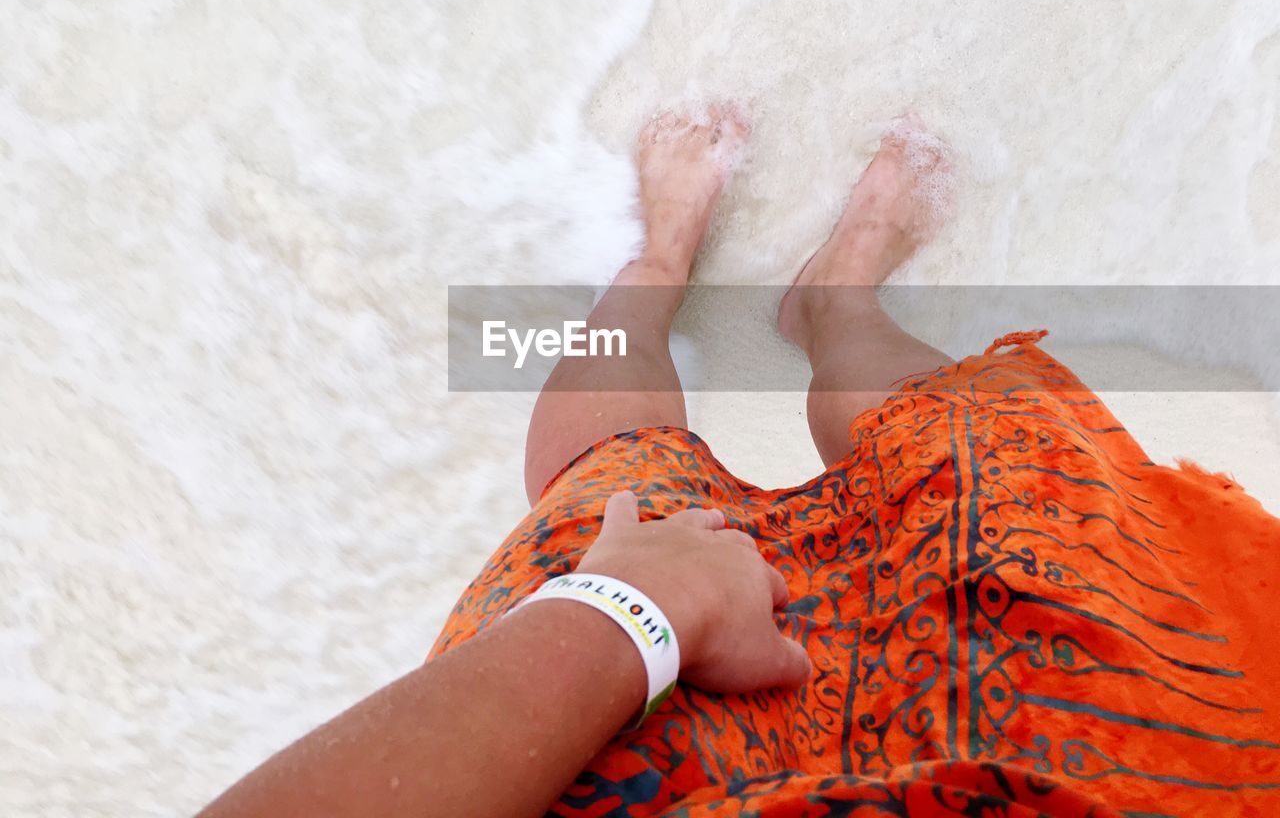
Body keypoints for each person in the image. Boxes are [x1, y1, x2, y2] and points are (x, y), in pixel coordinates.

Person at [199, 107, 1280, 818]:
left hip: (674, 781)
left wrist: (626, 611)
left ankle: (665, 272)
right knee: (984, 462)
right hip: (1105, 768)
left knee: (615, 494)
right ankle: (822, 302)